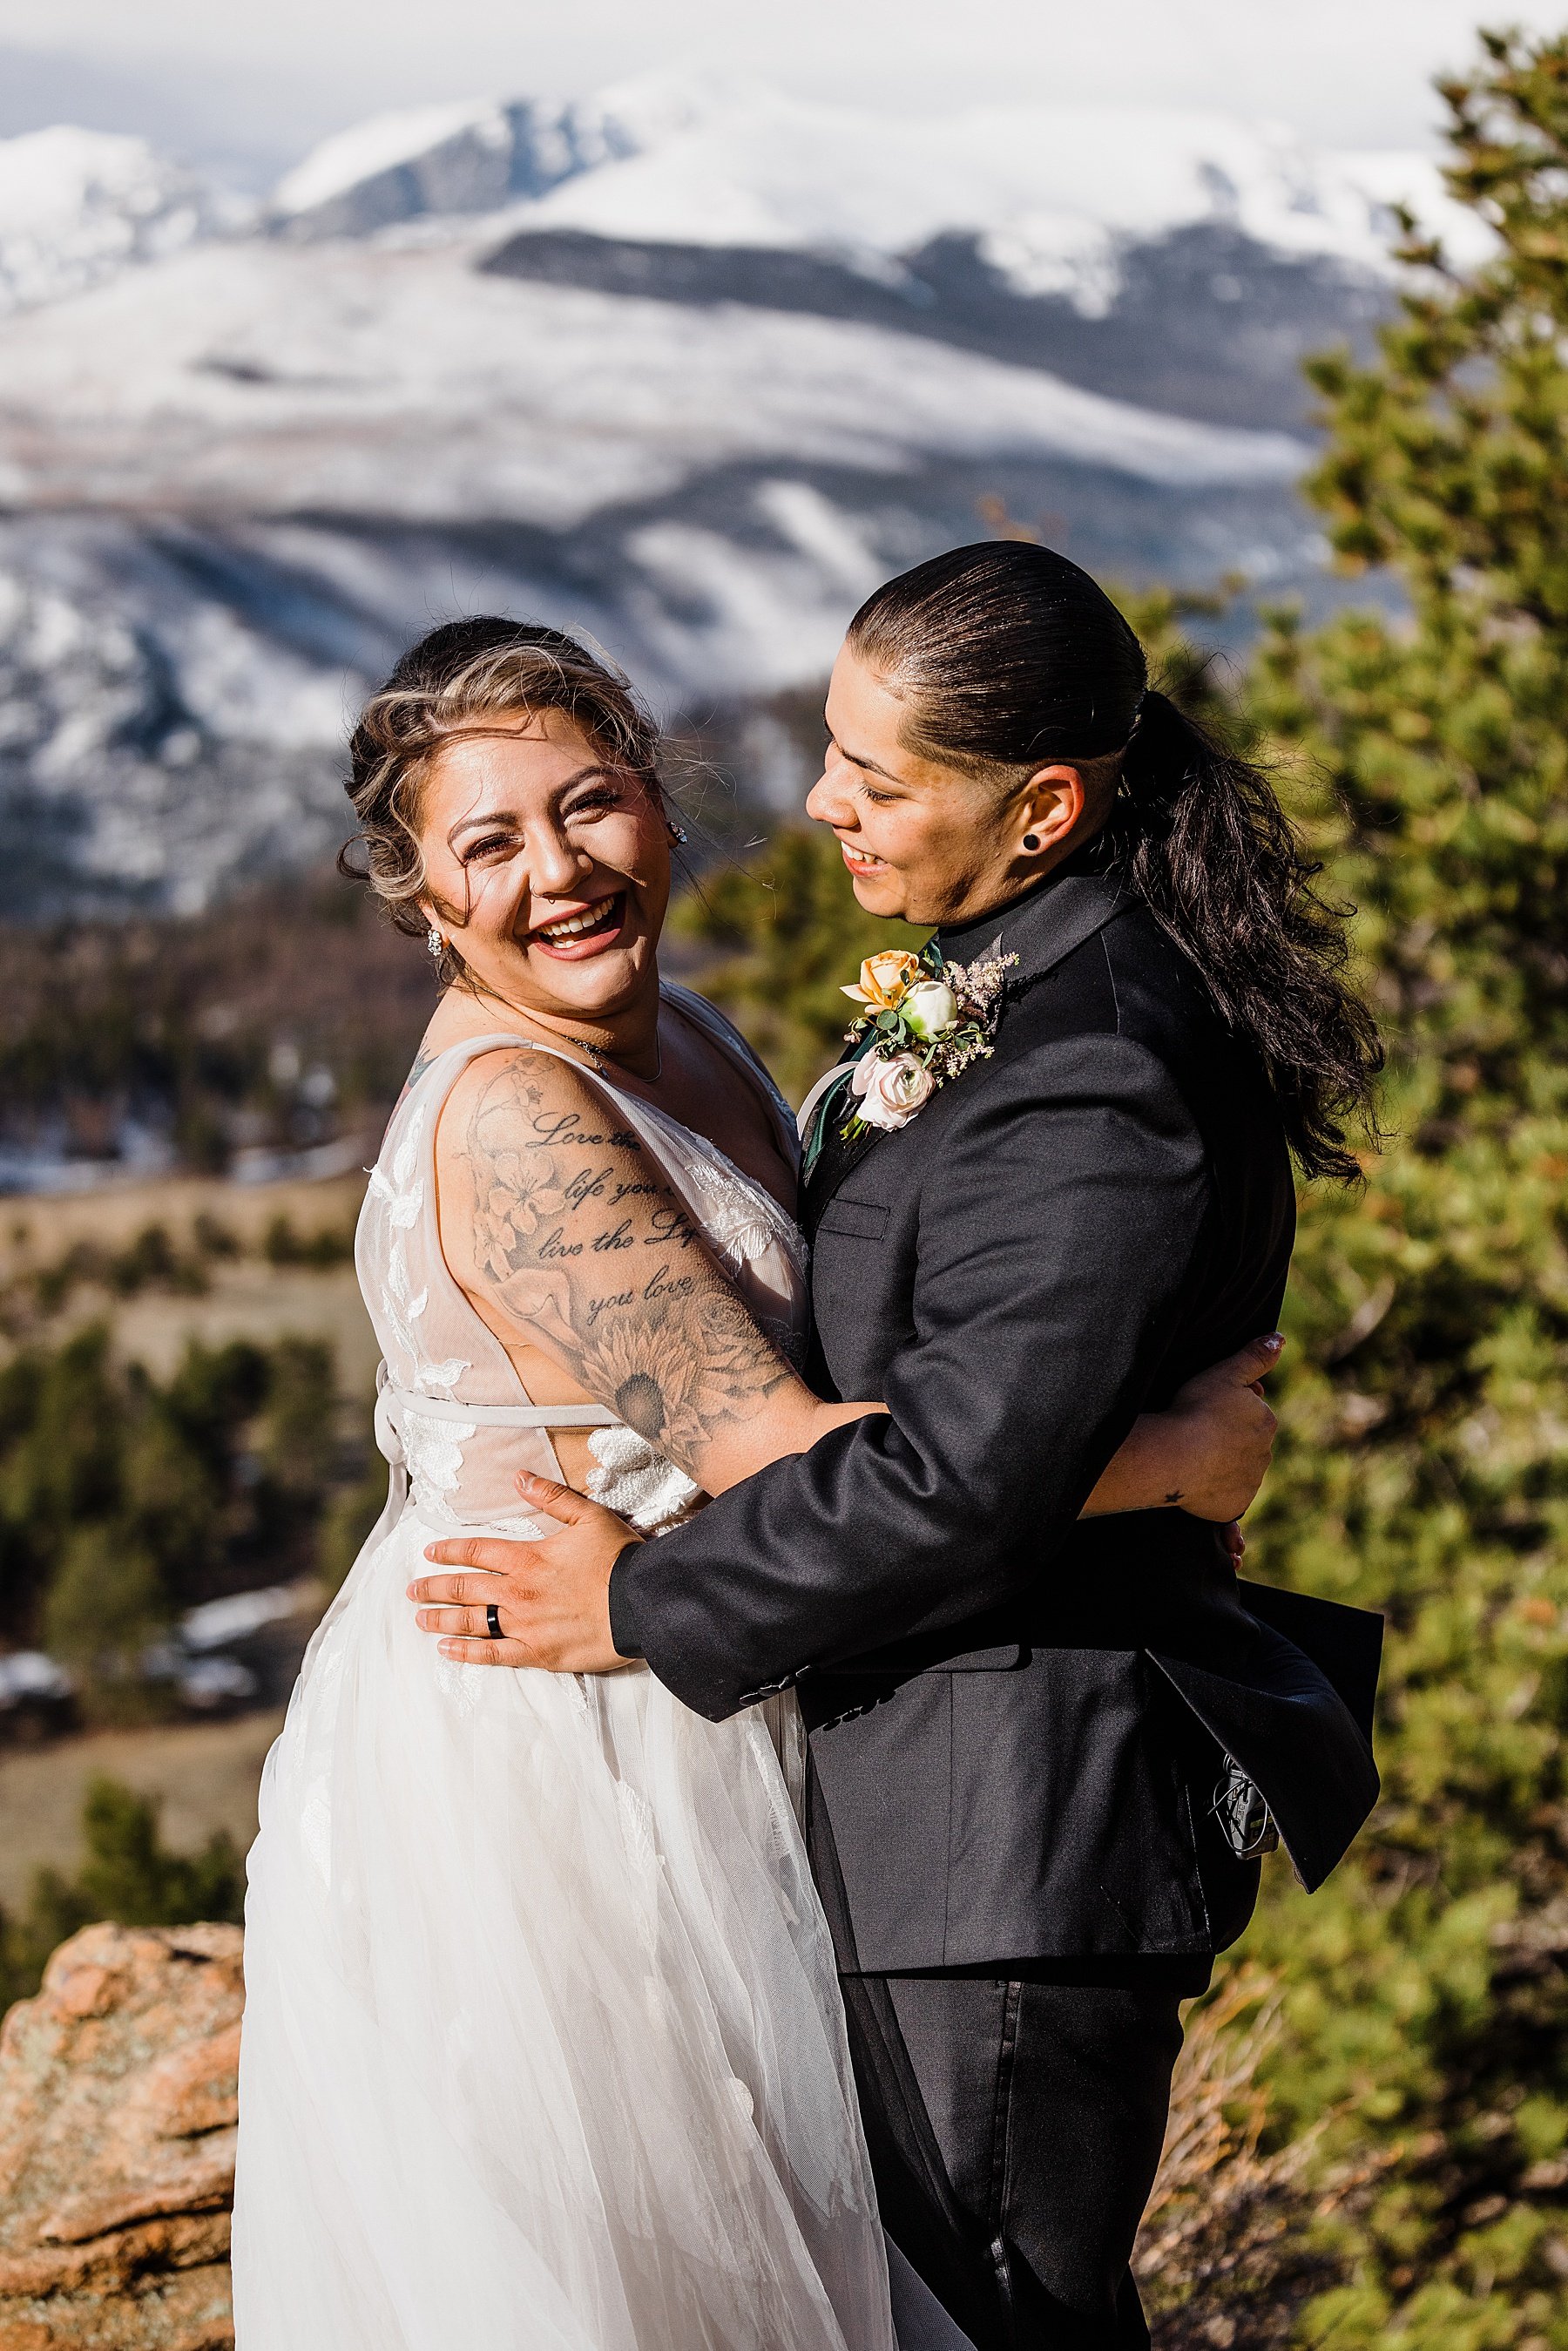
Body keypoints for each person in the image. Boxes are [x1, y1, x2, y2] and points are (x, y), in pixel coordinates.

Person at [232, 612, 1280, 2351]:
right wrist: (1169, 1461)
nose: (557, 871)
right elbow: (791, 1444)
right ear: (418, 895)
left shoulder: (687, 1030)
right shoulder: (515, 1117)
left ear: (655, 791)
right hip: (562, 1741)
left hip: (726, 1668)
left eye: (590, 804)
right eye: (486, 843)